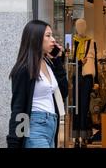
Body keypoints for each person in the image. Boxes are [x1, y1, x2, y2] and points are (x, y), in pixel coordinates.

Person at [7, 20, 68, 148]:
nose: (53, 40)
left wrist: (57, 61)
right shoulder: (24, 69)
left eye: (52, 35)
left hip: (52, 127)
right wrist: (14, 142)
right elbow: (18, 107)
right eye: (48, 35)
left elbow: (64, 91)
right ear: (36, 38)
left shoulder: (48, 64)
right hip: (35, 127)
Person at [71, 18, 96, 148]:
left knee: (85, 107)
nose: (81, 28)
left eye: (82, 25)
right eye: (78, 26)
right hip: (76, 76)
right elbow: (71, 61)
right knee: (76, 107)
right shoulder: (74, 41)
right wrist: (80, 62)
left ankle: (85, 137)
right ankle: (76, 137)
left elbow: (95, 60)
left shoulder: (91, 42)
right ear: (76, 28)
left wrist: (95, 81)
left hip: (87, 77)